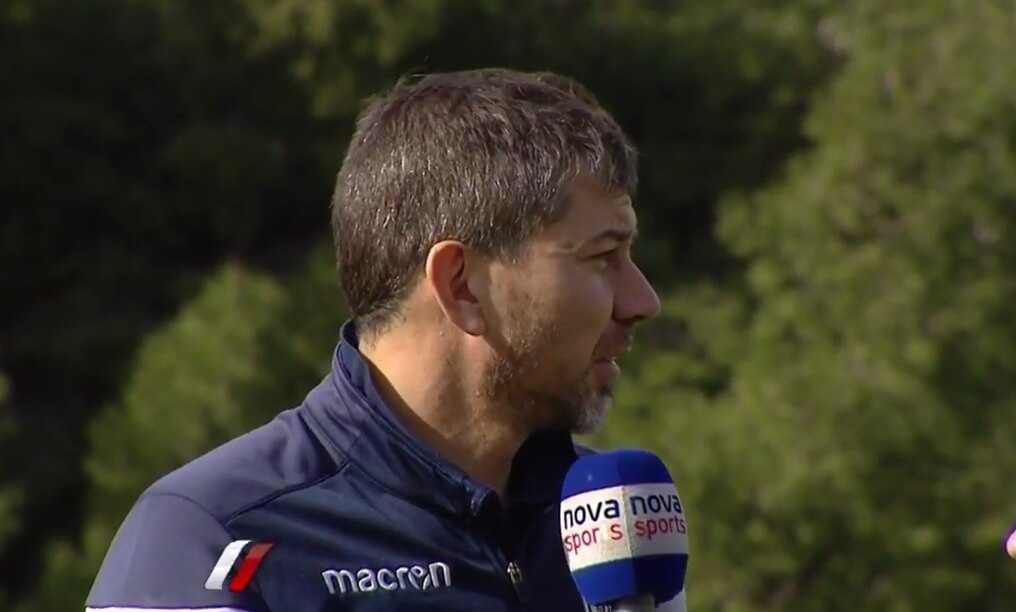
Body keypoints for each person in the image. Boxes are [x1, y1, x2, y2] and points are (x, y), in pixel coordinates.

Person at [86, 68, 663, 612]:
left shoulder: (611, 518)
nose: (643, 301)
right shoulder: (210, 536)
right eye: (603, 256)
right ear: (461, 285)